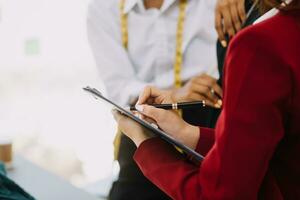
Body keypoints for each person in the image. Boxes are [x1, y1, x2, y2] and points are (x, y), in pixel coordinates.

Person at [113, 0, 300, 199]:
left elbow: (221, 194)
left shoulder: (259, 45)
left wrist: (146, 144)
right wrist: (187, 133)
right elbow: (266, 152)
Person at [87, 0, 221, 199]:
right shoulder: (104, 7)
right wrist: (175, 94)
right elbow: (119, 86)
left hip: (203, 122)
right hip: (139, 126)